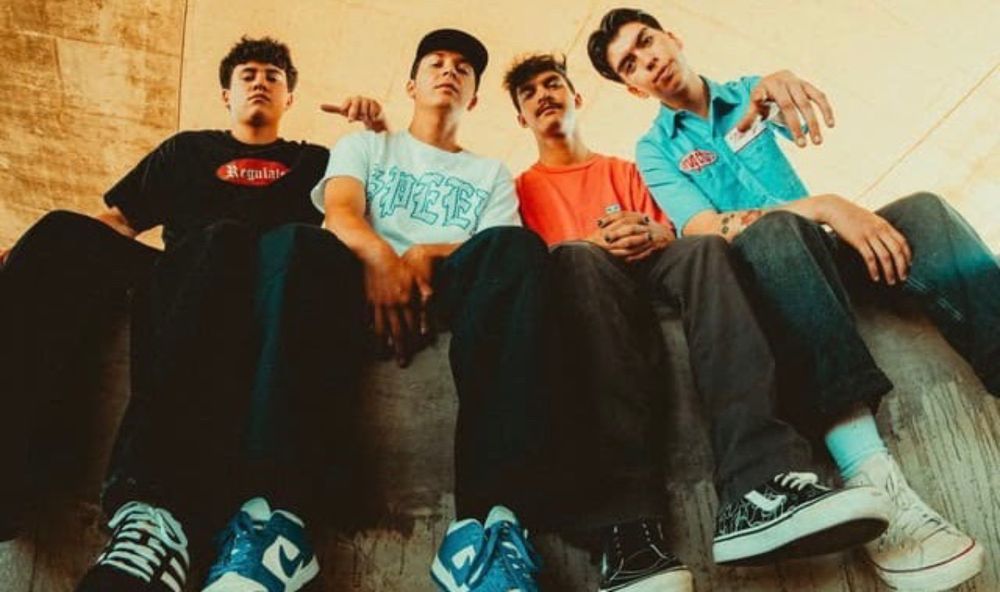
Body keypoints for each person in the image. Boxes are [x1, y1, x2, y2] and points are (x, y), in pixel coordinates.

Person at [588, 7, 993, 590]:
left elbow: (792, 113)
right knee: (775, 232)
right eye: (630, 64)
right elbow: (703, 228)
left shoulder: (750, 92)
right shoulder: (654, 149)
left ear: (672, 37)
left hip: (820, 252)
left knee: (924, 211)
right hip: (761, 272)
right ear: (632, 88)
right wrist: (827, 204)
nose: (647, 60)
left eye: (647, 42)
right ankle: (871, 475)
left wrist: (781, 86)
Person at [0, 36, 383, 592]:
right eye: (247, 74)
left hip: (270, 283)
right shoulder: (185, 151)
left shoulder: (315, 161)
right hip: (180, 276)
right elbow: (118, 222)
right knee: (59, 232)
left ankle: (166, 519)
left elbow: (364, 219)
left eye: (273, 76)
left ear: (290, 97)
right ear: (226, 93)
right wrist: (29, 254)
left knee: (225, 240)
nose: (260, 82)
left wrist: (376, 140)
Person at [504, 52, 892, 592]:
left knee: (706, 249)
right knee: (575, 259)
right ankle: (627, 532)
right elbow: (526, 272)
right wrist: (591, 243)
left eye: (553, 84)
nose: (543, 95)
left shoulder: (628, 168)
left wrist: (654, 235)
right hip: (585, 289)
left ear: (577, 97)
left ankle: (757, 485)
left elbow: (673, 230)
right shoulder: (519, 188)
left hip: (647, 271)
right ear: (520, 117)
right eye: (528, 93)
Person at [312, 29, 550, 592]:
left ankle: (487, 528)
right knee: (297, 247)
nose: (449, 71)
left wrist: (423, 253)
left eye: (463, 68)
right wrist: (383, 260)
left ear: (474, 98)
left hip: (448, 291)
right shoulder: (367, 146)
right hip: (360, 282)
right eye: (436, 62)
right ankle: (282, 512)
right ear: (411, 85)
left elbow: (495, 247)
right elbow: (340, 214)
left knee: (518, 249)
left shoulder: (490, 172)